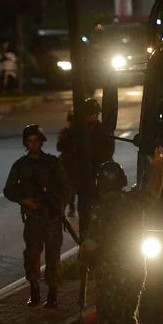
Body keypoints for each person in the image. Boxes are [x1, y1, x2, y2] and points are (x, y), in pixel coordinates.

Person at [79, 147, 163, 324]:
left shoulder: (101, 210)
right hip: (137, 267)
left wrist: (83, 260)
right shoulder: (134, 201)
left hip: (111, 272)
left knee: (110, 320)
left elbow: (90, 246)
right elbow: (154, 192)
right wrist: (158, 167)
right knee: (127, 315)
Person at [3, 124, 72, 308]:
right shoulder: (20, 166)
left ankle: (52, 295)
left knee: (53, 256)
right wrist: (24, 201)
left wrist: (59, 206)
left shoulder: (52, 163)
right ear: (26, 143)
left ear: (41, 141)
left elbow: (66, 188)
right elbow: (8, 190)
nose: (33, 144)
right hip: (33, 218)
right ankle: (34, 291)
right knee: (31, 256)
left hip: (51, 217)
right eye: (29, 141)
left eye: (36, 140)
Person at [56, 97, 115, 228]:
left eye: (95, 114)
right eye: (91, 114)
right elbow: (61, 146)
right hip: (76, 171)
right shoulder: (75, 129)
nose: (94, 117)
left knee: (93, 205)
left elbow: (107, 151)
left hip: (93, 172)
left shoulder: (100, 130)